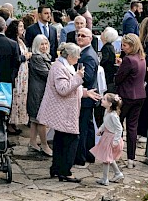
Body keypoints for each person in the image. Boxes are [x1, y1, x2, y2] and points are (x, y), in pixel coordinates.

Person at [37, 43, 102, 182]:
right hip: (63, 110)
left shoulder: (64, 65)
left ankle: (56, 168)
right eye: (77, 55)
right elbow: (63, 89)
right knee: (71, 139)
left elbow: (71, 88)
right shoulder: (60, 67)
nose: (79, 58)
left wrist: (85, 92)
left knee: (61, 139)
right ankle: (65, 171)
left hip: (65, 109)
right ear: (71, 56)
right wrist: (78, 77)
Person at [114, 33, 146, 167]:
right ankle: (131, 159)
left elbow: (118, 79)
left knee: (118, 125)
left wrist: (119, 69)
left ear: (132, 46)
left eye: (125, 45)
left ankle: (115, 155)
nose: (122, 48)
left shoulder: (128, 59)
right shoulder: (142, 58)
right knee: (132, 127)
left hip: (126, 96)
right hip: (140, 95)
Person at [73, 27, 104, 166]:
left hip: (86, 95)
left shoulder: (88, 55)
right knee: (89, 126)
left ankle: (80, 157)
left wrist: (75, 76)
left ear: (90, 39)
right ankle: (89, 155)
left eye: (83, 36)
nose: (79, 37)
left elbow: (88, 77)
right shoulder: (85, 52)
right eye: (78, 35)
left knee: (83, 127)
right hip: (87, 96)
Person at [25, 34, 53, 156]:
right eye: (42, 44)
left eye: (46, 43)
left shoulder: (45, 56)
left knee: (35, 119)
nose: (44, 46)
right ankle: (44, 145)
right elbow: (46, 74)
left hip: (40, 89)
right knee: (41, 119)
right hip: (38, 91)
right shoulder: (37, 58)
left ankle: (32, 141)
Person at [91, 93, 125, 186]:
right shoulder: (107, 112)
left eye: (104, 99)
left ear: (110, 104)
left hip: (111, 138)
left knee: (106, 159)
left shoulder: (113, 115)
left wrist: (115, 141)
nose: (102, 99)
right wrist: (100, 130)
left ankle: (105, 179)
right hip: (106, 136)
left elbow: (119, 128)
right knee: (109, 157)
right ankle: (118, 173)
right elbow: (105, 123)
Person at [6, 18, 31, 130]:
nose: (22, 28)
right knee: (15, 96)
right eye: (20, 26)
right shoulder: (12, 41)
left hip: (24, 72)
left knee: (21, 96)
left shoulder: (21, 39)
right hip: (17, 72)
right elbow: (14, 59)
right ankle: (11, 122)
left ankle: (16, 121)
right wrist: (25, 57)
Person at [98, 27, 119, 92]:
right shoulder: (110, 47)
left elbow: (103, 61)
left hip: (107, 76)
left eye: (103, 32)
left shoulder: (106, 48)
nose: (101, 33)